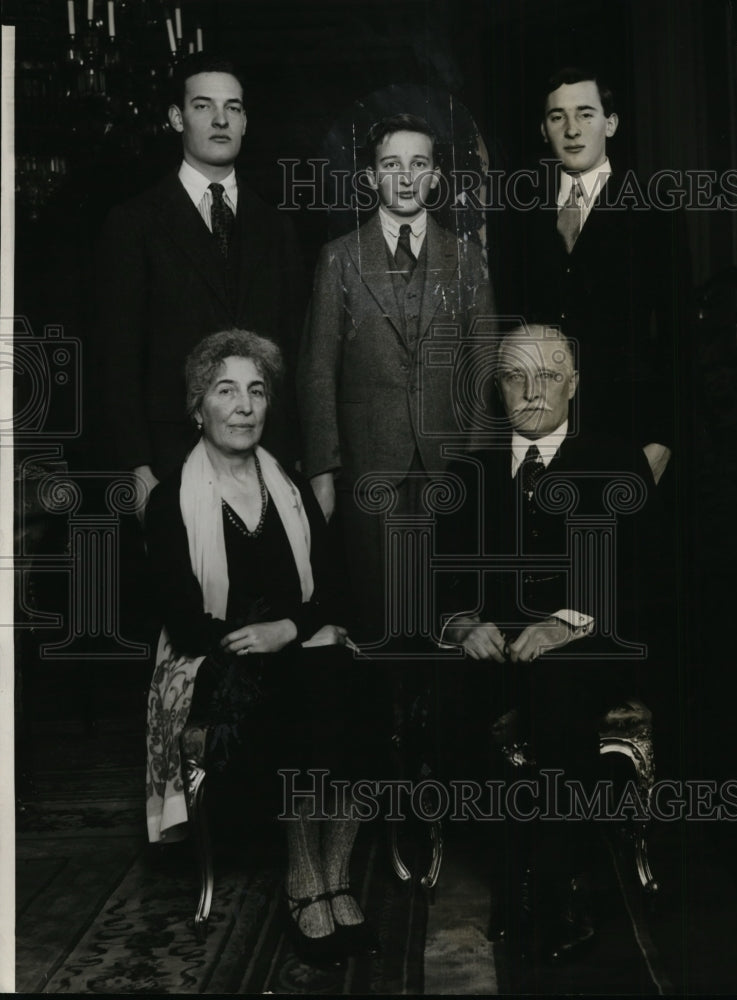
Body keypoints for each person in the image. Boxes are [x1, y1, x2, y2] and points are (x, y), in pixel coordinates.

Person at [143, 330, 382, 967]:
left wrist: (289, 631)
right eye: (226, 391)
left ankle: (335, 873)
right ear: (199, 408)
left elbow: (336, 594)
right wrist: (275, 641)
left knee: (351, 676)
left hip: (296, 656)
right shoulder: (171, 503)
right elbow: (186, 624)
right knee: (305, 681)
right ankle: (306, 876)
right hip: (218, 667)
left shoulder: (293, 491)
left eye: (256, 391)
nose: (244, 406)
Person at [436, 324, 659, 965]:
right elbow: (435, 578)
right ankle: (511, 875)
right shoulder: (468, 472)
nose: (532, 393)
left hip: (591, 642)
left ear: (574, 386)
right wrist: (460, 623)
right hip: (493, 648)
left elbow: (647, 574)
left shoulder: (617, 463)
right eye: (515, 377)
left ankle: (555, 884)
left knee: (557, 689)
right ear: (497, 387)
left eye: (550, 376)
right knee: (452, 693)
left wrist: (569, 621)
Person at [297, 112, 496, 643]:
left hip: (447, 464)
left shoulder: (468, 259)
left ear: (435, 177)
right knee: (376, 613)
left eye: (419, 164)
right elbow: (317, 369)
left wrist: (475, 465)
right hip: (367, 467)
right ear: (370, 178)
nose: (406, 178)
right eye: (391, 165)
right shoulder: (339, 258)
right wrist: (323, 467)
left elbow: (482, 365)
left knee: (444, 614)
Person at [95, 53, 302, 515]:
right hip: (170, 460)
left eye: (233, 107)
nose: (221, 119)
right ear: (176, 117)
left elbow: (291, 349)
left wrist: (295, 462)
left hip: (265, 460)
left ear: (246, 121)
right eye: (204, 106)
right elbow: (119, 355)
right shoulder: (133, 223)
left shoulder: (278, 228)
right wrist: (138, 465)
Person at [515, 66, 691, 486]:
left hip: (629, 429)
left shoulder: (653, 209)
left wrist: (665, 438)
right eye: (558, 117)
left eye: (586, 114)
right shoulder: (522, 216)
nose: (572, 129)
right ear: (544, 129)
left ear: (610, 123)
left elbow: (678, 333)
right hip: (543, 429)